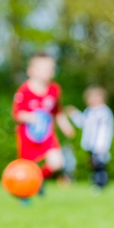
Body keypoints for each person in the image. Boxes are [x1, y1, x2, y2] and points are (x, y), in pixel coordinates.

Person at [12, 52, 76, 202]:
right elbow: (16, 114)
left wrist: (66, 126)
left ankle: (38, 181)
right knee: (27, 168)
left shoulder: (54, 90)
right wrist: (30, 117)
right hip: (27, 137)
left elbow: (57, 111)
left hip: (48, 136)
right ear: (31, 71)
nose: (49, 72)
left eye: (51, 68)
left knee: (57, 162)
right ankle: (25, 193)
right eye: (44, 68)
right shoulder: (24, 90)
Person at [65, 86, 114, 190]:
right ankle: (96, 182)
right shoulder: (90, 111)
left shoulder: (104, 111)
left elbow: (103, 130)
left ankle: (101, 184)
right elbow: (83, 123)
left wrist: (102, 145)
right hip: (90, 143)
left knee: (100, 164)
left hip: (100, 144)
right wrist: (74, 114)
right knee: (93, 163)